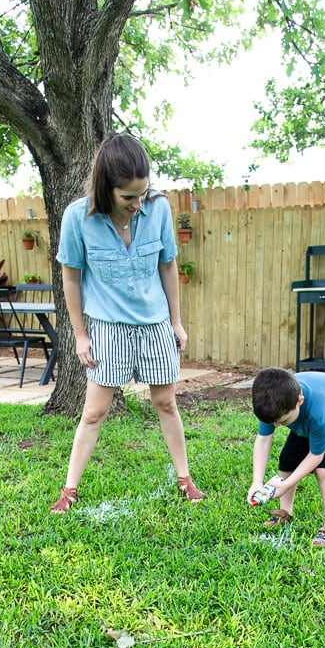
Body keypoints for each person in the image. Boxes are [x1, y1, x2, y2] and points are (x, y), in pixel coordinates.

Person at [51, 133, 206, 513]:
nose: (138, 204)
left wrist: (176, 322)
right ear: (107, 189)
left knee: (165, 402)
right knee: (94, 411)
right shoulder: (77, 217)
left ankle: (185, 478)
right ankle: (69, 489)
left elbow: (167, 266)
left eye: (143, 194)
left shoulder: (158, 210)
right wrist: (80, 336)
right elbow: (70, 278)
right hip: (108, 327)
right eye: (128, 197)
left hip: (155, 325)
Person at [248, 368, 325, 546]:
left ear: (300, 400)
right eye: (273, 423)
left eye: (283, 422)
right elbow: (263, 441)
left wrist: (285, 485)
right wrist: (257, 482)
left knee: (324, 469)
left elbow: (316, 456)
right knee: (287, 461)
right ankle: (285, 511)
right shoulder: (272, 402)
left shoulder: (319, 413)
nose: (277, 426)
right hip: (305, 417)